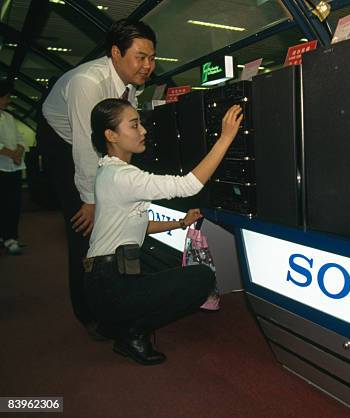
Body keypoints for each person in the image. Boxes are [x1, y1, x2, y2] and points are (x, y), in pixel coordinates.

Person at [84, 98, 243, 365]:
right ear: (111, 135)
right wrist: (225, 138)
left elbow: (140, 225)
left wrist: (180, 223)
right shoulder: (123, 177)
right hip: (110, 283)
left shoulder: (108, 173)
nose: (143, 131)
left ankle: (118, 323)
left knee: (165, 273)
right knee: (201, 278)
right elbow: (188, 186)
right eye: (134, 125)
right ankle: (132, 333)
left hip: (102, 280)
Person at [41, 19, 156, 337]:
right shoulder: (87, 82)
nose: (148, 65)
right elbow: (85, 147)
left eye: (152, 57)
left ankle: (119, 295)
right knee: (85, 229)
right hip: (63, 143)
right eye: (141, 57)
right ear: (116, 53)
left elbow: (117, 140)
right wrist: (90, 201)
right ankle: (89, 313)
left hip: (95, 143)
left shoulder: (130, 84)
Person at [0, 80, 27, 255]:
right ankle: (5, 238)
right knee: (3, 204)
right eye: (6, 97)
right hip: (1, 168)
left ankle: (12, 237)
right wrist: (11, 153)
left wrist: (18, 150)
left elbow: (20, 138)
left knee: (13, 204)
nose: (8, 100)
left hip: (14, 168)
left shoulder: (8, 117)